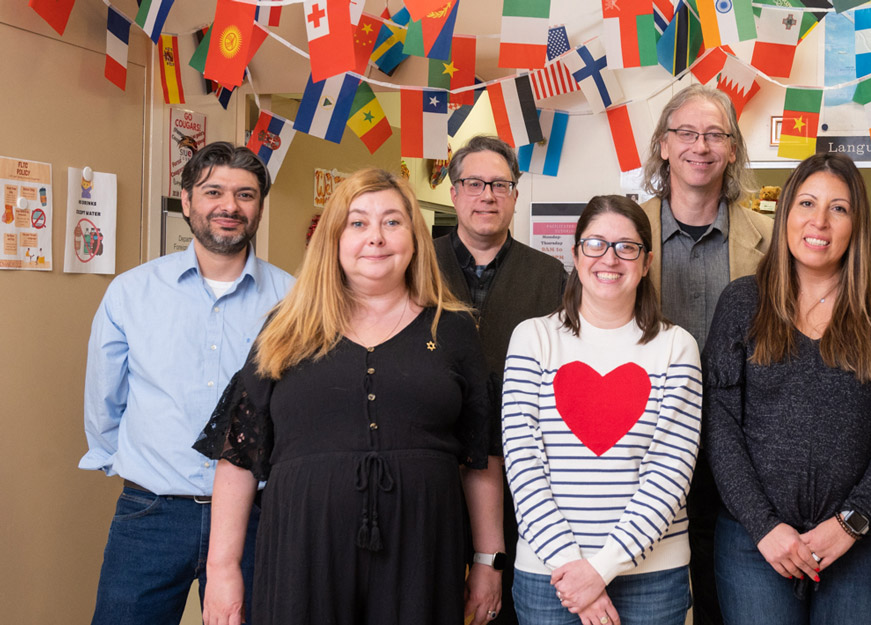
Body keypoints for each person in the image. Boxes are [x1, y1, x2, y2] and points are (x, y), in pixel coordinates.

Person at [195, 168, 503, 625]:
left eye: (392, 222)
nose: (375, 237)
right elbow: (238, 458)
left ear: (415, 237)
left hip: (422, 555)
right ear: (334, 240)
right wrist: (221, 571)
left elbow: (481, 458)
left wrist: (486, 559)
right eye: (357, 223)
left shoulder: (454, 329)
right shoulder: (285, 329)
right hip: (302, 556)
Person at [703, 153, 871, 625]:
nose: (820, 222)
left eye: (839, 208)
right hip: (756, 543)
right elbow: (718, 422)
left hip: (864, 544)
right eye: (807, 203)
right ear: (785, 212)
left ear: (856, 224)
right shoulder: (742, 301)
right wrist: (764, 526)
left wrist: (853, 522)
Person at [80, 142, 293, 625]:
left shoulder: (294, 299)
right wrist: (145, 471)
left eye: (245, 194)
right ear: (186, 199)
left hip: (260, 517)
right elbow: (103, 405)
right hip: (151, 515)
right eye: (213, 191)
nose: (229, 206)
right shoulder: (131, 293)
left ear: (259, 206)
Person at [502, 195, 702, 625]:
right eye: (595, 244)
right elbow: (523, 466)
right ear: (575, 254)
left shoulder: (676, 347)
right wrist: (576, 574)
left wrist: (602, 568)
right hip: (549, 573)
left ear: (646, 262)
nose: (610, 258)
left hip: (652, 576)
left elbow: (670, 472)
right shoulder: (532, 339)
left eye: (626, 247)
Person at [641, 83, 774, 625]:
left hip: (746, 454)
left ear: (734, 149)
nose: (701, 146)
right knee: (650, 602)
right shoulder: (625, 233)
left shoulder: (772, 240)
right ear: (665, 145)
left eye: (715, 134)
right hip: (645, 451)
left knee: (735, 604)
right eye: (687, 133)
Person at [435, 135, 568, 625]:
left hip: (523, 482)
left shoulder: (550, 275)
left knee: (509, 608)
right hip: (433, 474)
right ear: (454, 193)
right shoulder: (416, 265)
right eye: (474, 183)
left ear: (515, 195)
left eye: (500, 185)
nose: (486, 195)